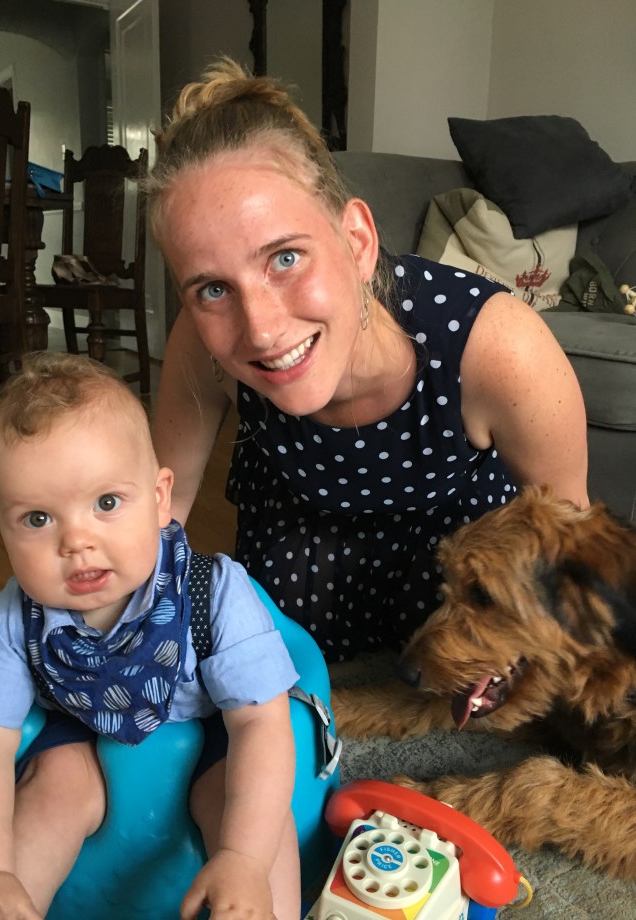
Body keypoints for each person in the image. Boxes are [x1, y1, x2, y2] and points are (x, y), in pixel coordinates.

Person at [148, 58, 589, 664]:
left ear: (357, 241)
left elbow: (574, 554)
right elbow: (159, 515)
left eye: (285, 258)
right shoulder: (201, 343)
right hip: (296, 571)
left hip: (458, 588)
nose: (263, 330)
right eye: (213, 289)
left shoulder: (500, 348)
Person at [0, 352, 300, 920]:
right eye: (37, 519)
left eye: (106, 503)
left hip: (211, 730)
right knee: (51, 793)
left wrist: (244, 858)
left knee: (253, 814)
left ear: (160, 499)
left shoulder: (212, 590)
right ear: (2, 527)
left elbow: (261, 723)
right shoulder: (17, 618)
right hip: (81, 735)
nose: (75, 542)